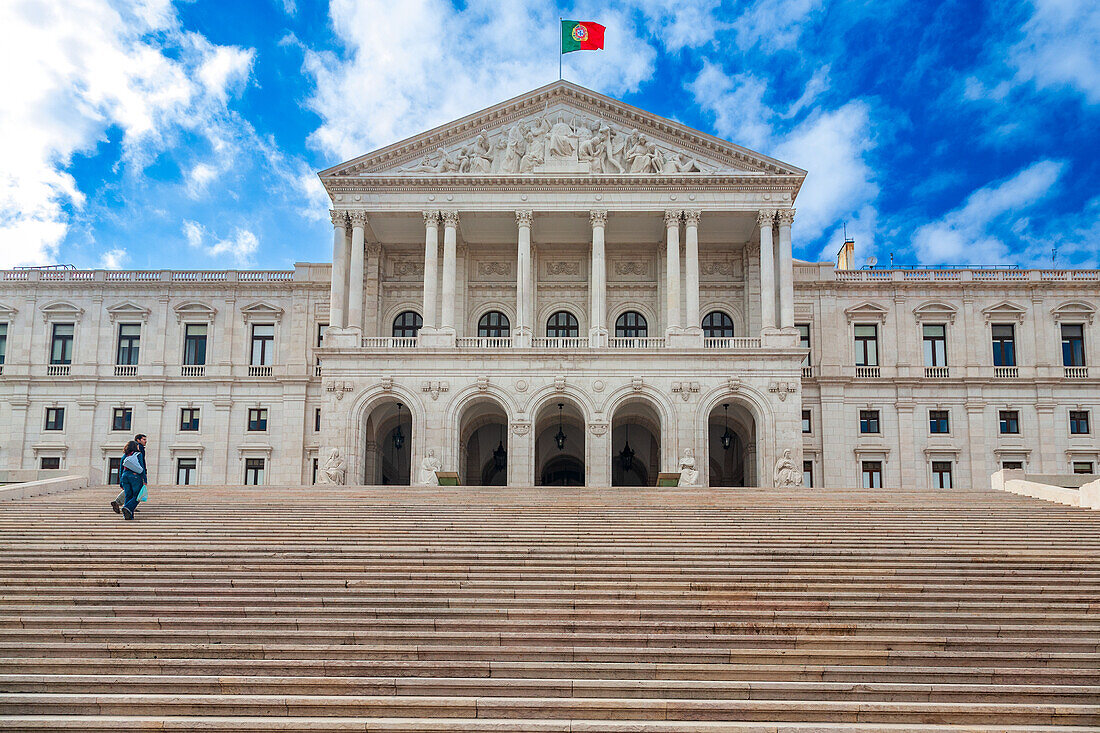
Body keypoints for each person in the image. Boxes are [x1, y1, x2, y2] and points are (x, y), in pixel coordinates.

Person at [111, 433, 148, 513]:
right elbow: (141, 463)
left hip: (125, 475)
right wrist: (144, 477)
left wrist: (121, 479)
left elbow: (122, 465)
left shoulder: (126, 453)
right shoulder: (138, 450)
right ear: (138, 440)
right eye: (144, 439)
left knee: (129, 493)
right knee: (137, 494)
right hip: (135, 475)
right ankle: (127, 506)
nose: (146, 441)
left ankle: (126, 507)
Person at [117, 440, 144, 520]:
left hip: (125, 476)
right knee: (138, 496)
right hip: (135, 477)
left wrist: (121, 481)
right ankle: (127, 507)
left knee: (128, 496)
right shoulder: (138, 454)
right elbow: (142, 468)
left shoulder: (125, 456)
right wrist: (144, 479)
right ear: (135, 447)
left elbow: (121, 469)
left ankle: (128, 516)